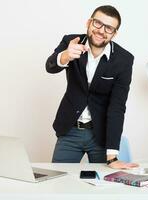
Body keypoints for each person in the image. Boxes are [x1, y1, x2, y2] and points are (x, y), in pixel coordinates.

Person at [46, 5, 139, 169]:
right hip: (69, 131)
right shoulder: (71, 42)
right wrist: (66, 55)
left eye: (109, 28)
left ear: (114, 33)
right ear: (89, 22)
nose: (101, 31)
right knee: (58, 182)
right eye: (98, 23)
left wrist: (112, 157)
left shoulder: (124, 60)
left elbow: (117, 107)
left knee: (104, 186)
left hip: (101, 134)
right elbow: (50, 66)